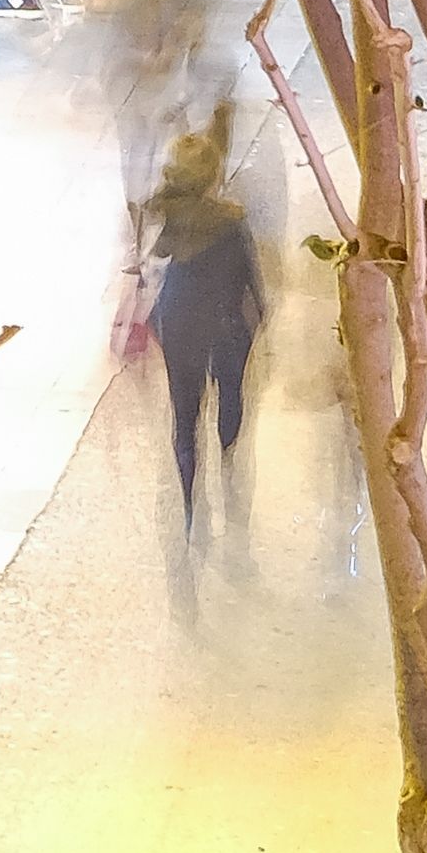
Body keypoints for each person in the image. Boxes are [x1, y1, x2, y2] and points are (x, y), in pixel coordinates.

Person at [130, 106, 268, 544]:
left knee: (184, 414)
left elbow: (144, 274)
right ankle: (228, 466)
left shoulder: (154, 215)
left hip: (178, 322)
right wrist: (259, 323)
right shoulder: (231, 221)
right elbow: (253, 284)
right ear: (213, 175)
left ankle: (190, 499)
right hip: (226, 323)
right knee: (230, 394)